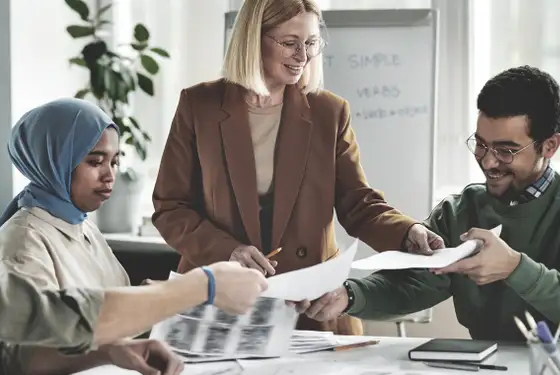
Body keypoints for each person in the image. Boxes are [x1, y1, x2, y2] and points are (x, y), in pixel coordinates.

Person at [151, 0, 444, 336]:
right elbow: (170, 207)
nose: (302, 56)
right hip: (220, 303)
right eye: (290, 43)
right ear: (253, 39)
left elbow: (358, 204)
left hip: (310, 304)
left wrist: (407, 233)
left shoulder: (329, 112)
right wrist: (227, 251)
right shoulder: (199, 105)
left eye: (311, 43)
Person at [0, 71, 268, 373]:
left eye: (115, 161)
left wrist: (119, 340)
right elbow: (45, 328)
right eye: (94, 161)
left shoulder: (81, 224)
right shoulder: (24, 239)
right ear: (54, 161)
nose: (110, 175)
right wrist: (200, 286)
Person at [300, 65, 560, 342]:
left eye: (506, 151)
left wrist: (514, 267)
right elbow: (414, 283)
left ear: (549, 147)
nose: (488, 161)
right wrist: (349, 295)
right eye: (481, 144)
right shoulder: (459, 211)